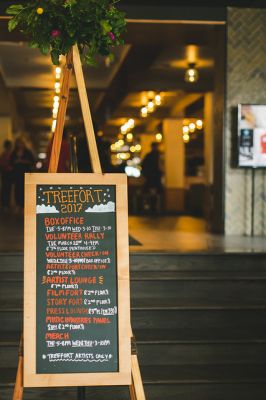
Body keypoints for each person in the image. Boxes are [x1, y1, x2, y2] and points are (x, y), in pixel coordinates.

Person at [10, 137, 35, 212]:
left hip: (25, 173)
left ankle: (24, 206)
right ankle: (18, 205)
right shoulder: (14, 152)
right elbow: (11, 162)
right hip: (17, 174)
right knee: (17, 189)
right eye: (18, 143)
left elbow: (32, 161)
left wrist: (23, 161)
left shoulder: (28, 152)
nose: (20, 144)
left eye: (21, 143)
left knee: (25, 189)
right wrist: (16, 162)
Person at [141, 142, 163, 214]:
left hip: (150, 177)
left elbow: (143, 166)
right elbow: (160, 166)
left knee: (150, 193)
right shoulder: (159, 155)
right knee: (156, 193)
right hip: (155, 177)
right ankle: (154, 208)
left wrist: (145, 175)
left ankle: (149, 207)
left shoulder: (148, 156)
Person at [0, 139, 13, 211]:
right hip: (5, 173)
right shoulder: (4, 154)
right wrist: (8, 167)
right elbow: (2, 164)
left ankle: (7, 204)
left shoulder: (10, 153)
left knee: (8, 188)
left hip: (9, 173)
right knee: (5, 188)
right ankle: (4, 204)